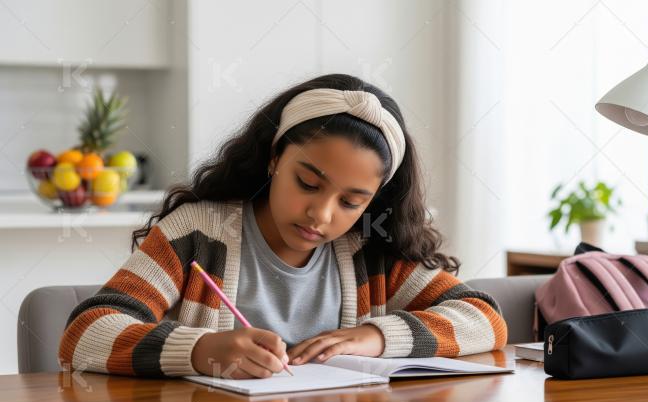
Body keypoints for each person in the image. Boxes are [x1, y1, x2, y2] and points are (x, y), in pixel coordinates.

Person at [58, 74, 507, 379]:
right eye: (308, 183)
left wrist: (374, 337)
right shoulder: (198, 234)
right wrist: (202, 350)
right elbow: (85, 334)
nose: (322, 214)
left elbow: (485, 320)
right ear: (275, 158)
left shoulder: (370, 246)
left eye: (351, 201)